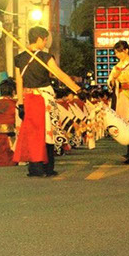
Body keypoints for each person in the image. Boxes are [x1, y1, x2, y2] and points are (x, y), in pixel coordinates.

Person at [12, 26, 80, 178]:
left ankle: (35, 167)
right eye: (45, 40)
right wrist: (77, 89)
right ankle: (47, 167)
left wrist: (21, 104)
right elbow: (60, 75)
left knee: (33, 134)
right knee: (48, 132)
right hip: (44, 100)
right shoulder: (46, 57)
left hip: (28, 99)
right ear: (39, 39)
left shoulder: (19, 59)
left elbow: (19, 82)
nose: (45, 43)